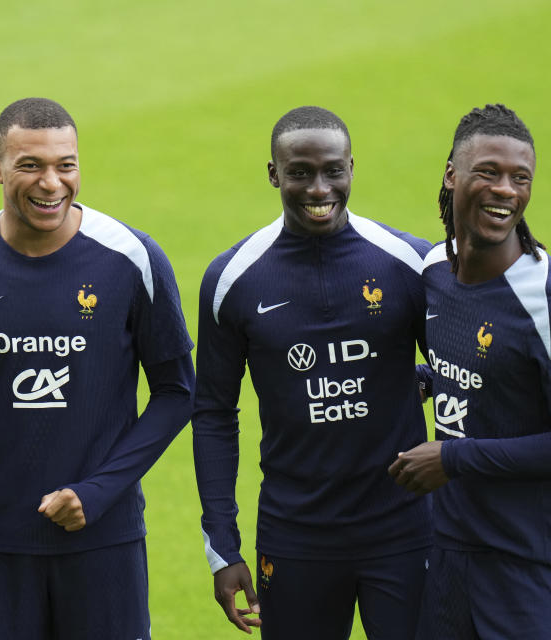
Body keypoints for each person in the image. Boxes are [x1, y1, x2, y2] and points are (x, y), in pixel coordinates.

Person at [0, 97, 195, 639]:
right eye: (30, 166)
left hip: (103, 540)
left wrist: (99, 492)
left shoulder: (131, 257)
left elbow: (178, 393)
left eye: (65, 165)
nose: (51, 183)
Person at [193, 106, 434, 639]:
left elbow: (465, 370)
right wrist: (222, 546)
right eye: (300, 172)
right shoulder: (233, 278)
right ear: (274, 174)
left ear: (352, 167)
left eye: (333, 171)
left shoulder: (410, 263)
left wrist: (415, 381)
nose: (318, 188)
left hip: (404, 529)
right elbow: (212, 411)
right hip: (295, 534)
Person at [389, 103, 551, 639]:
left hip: (534, 569)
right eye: (489, 171)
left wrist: (456, 458)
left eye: (519, 178)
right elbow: (486, 374)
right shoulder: (436, 272)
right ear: (451, 174)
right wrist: (422, 379)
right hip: (450, 556)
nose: (506, 189)